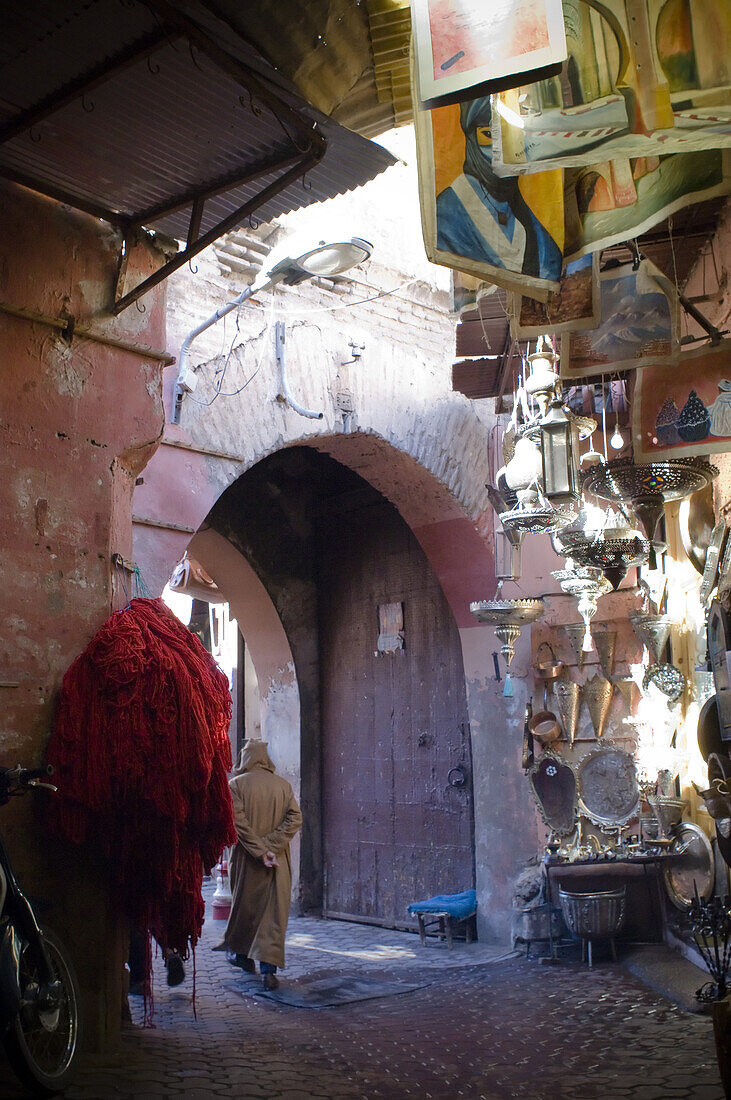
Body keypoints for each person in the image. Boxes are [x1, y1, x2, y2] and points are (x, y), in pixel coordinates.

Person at [435, 97, 562, 283]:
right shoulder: (448, 213)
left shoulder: (521, 211)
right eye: (488, 134)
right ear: (470, 136)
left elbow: (551, 265)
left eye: (511, 135)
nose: (501, 150)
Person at [214, 739, 302, 989]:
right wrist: (271, 847)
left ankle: (242, 957)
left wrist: (260, 849)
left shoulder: (236, 786)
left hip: (246, 860)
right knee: (273, 915)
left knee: (245, 908)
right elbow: (295, 819)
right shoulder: (283, 786)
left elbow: (238, 822)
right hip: (278, 862)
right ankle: (268, 970)